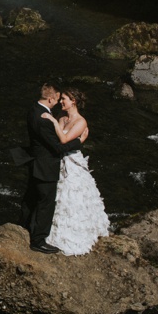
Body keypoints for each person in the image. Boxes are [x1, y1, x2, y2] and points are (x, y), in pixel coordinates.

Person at [40, 87, 110, 255]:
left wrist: (53, 121)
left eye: (64, 98)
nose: (61, 101)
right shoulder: (62, 117)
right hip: (58, 160)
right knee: (56, 196)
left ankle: (74, 234)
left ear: (74, 101)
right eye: (62, 98)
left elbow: (63, 140)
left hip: (71, 162)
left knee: (72, 196)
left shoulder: (81, 122)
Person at [17, 82, 84, 254]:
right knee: (46, 203)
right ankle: (38, 240)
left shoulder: (34, 110)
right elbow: (58, 148)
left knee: (31, 198)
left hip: (35, 162)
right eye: (58, 99)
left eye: (64, 99)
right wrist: (79, 142)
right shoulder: (44, 119)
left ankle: (23, 227)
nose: (59, 102)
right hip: (45, 165)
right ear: (51, 98)